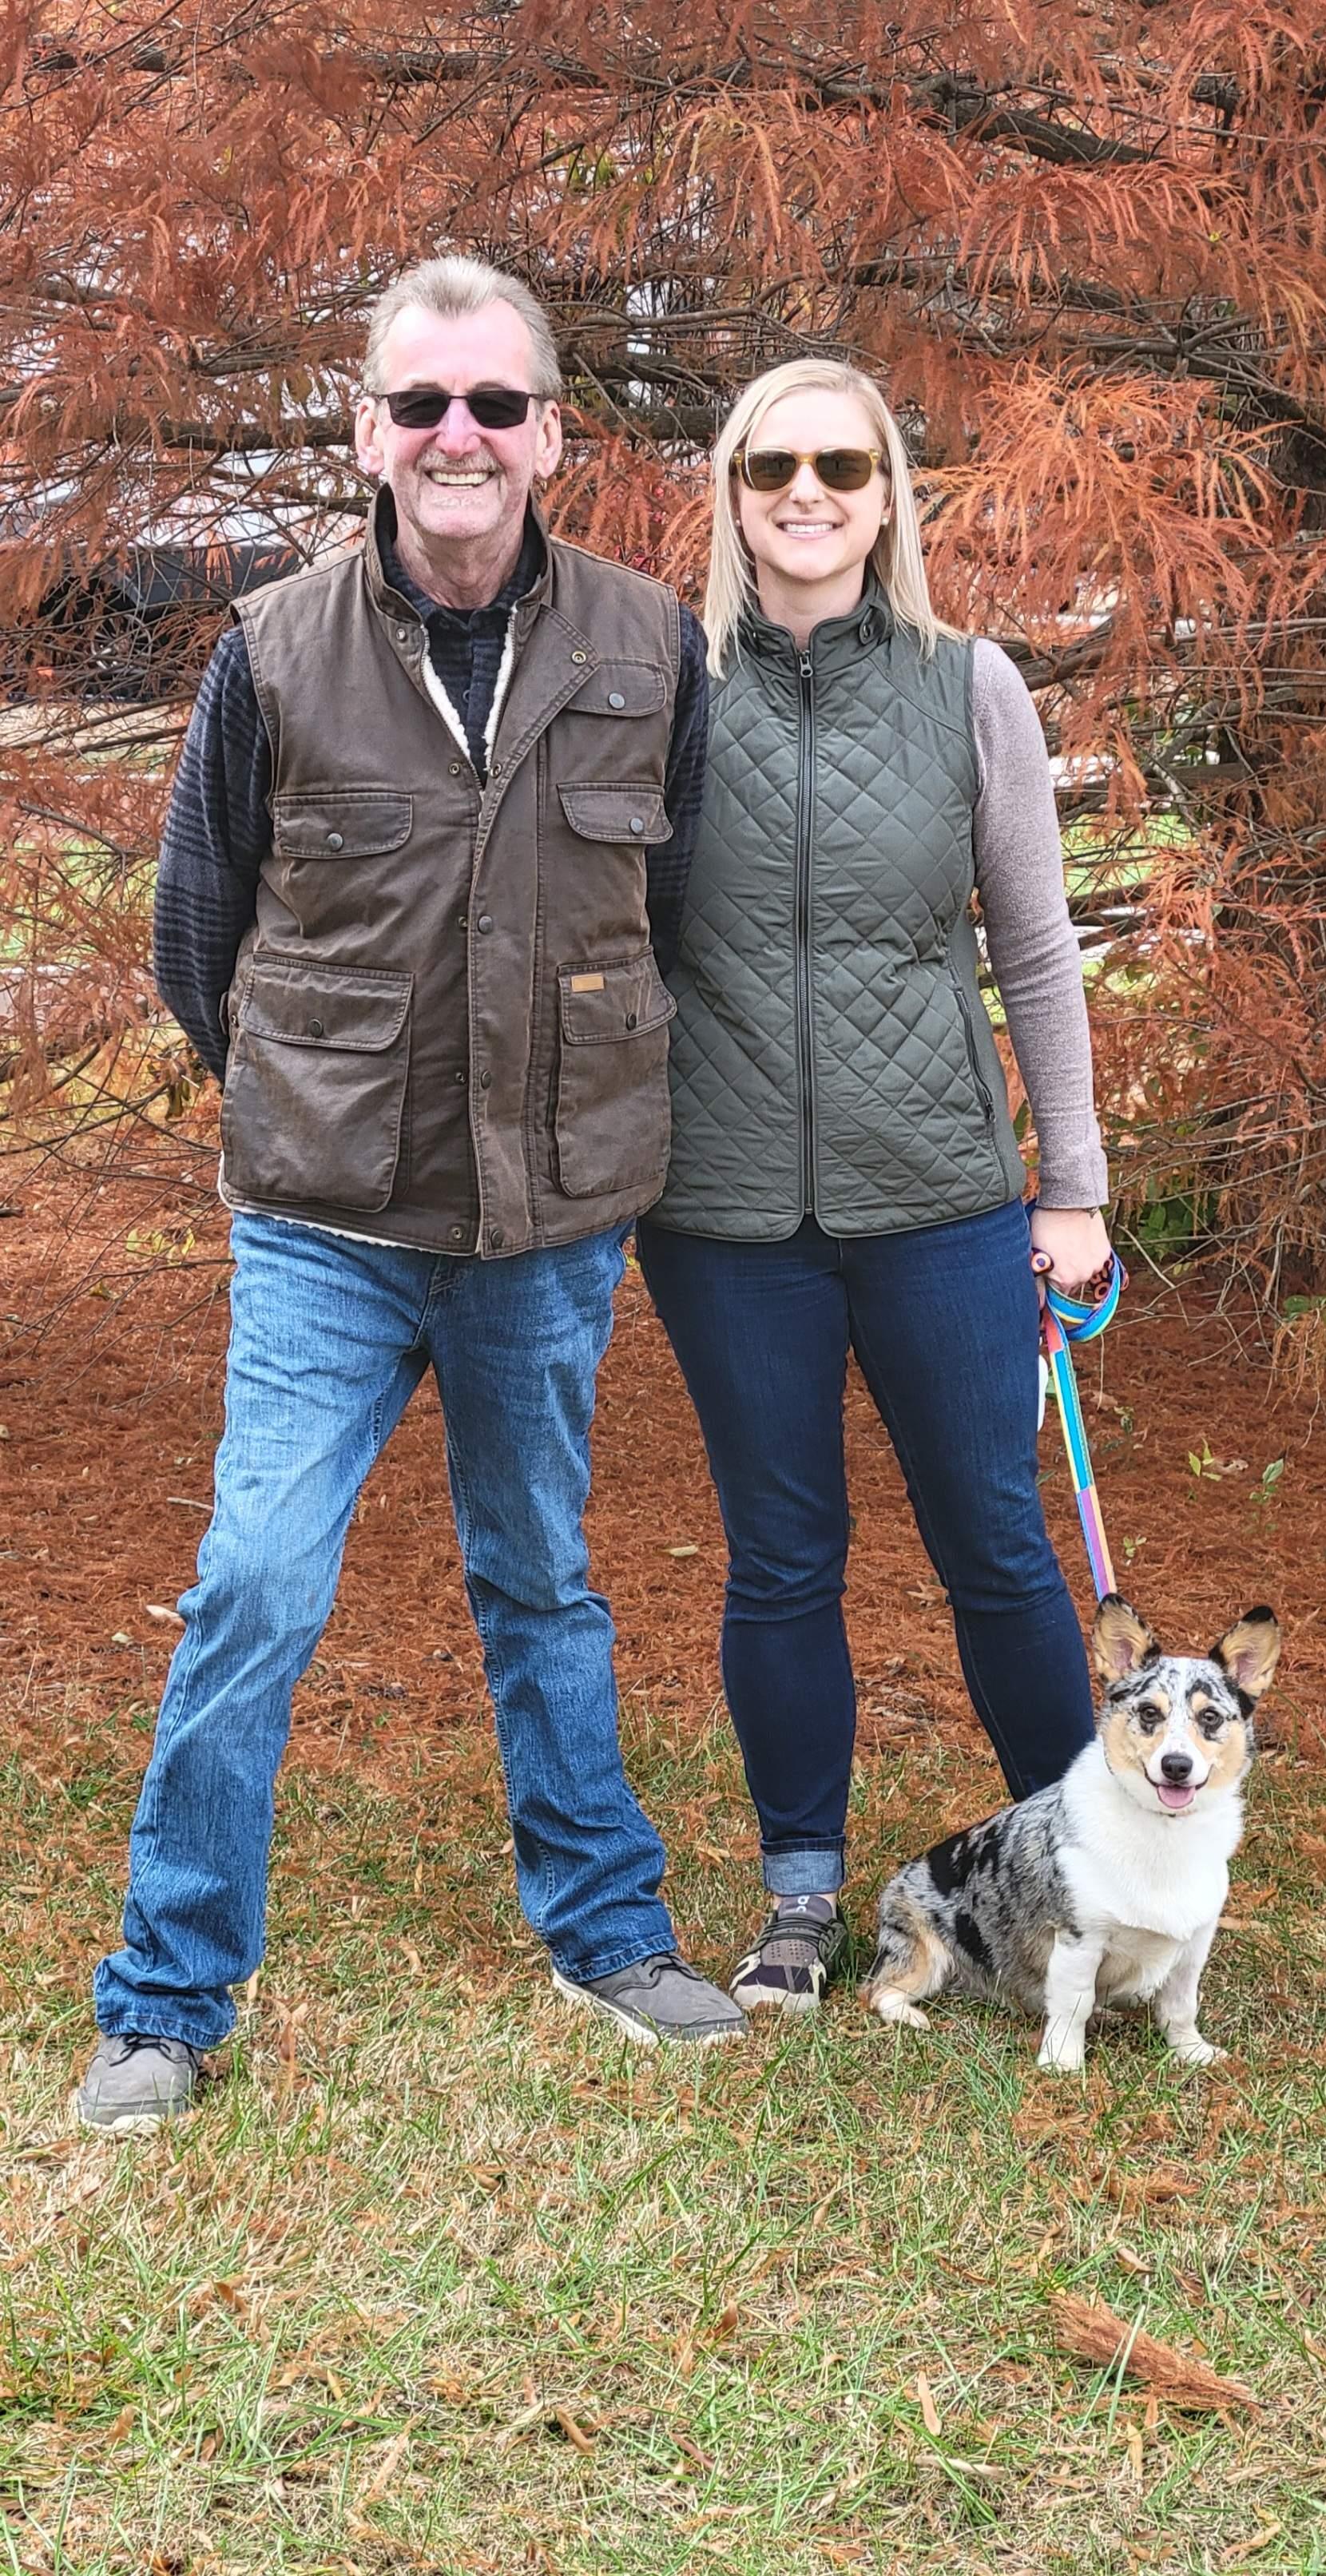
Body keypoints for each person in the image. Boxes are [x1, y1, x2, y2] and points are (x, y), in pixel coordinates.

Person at [80, 255, 748, 2129]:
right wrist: (313, 1111)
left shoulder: (640, 643)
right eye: (425, 402)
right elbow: (197, 929)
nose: (461, 436)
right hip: (327, 1234)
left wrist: (583, 1121)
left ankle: (609, 1929)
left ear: (552, 434)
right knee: (255, 1585)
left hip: (545, 1234)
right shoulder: (273, 646)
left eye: (498, 405)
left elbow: (676, 922)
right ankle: (165, 1994)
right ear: (367, 428)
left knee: (540, 1576)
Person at [635, 359, 1114, 2013]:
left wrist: (1077, 1187)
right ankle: (798, 1897)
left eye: (842, 461)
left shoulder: (968, 683)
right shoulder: (664, 687)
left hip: (944, 1202)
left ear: (890, 488)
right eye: (773, 463)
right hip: (722, 1214)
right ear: (732, 489)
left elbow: (1037, 950)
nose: (807, 490)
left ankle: (1088, 1885)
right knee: (781, 1553)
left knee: (992, 1538)